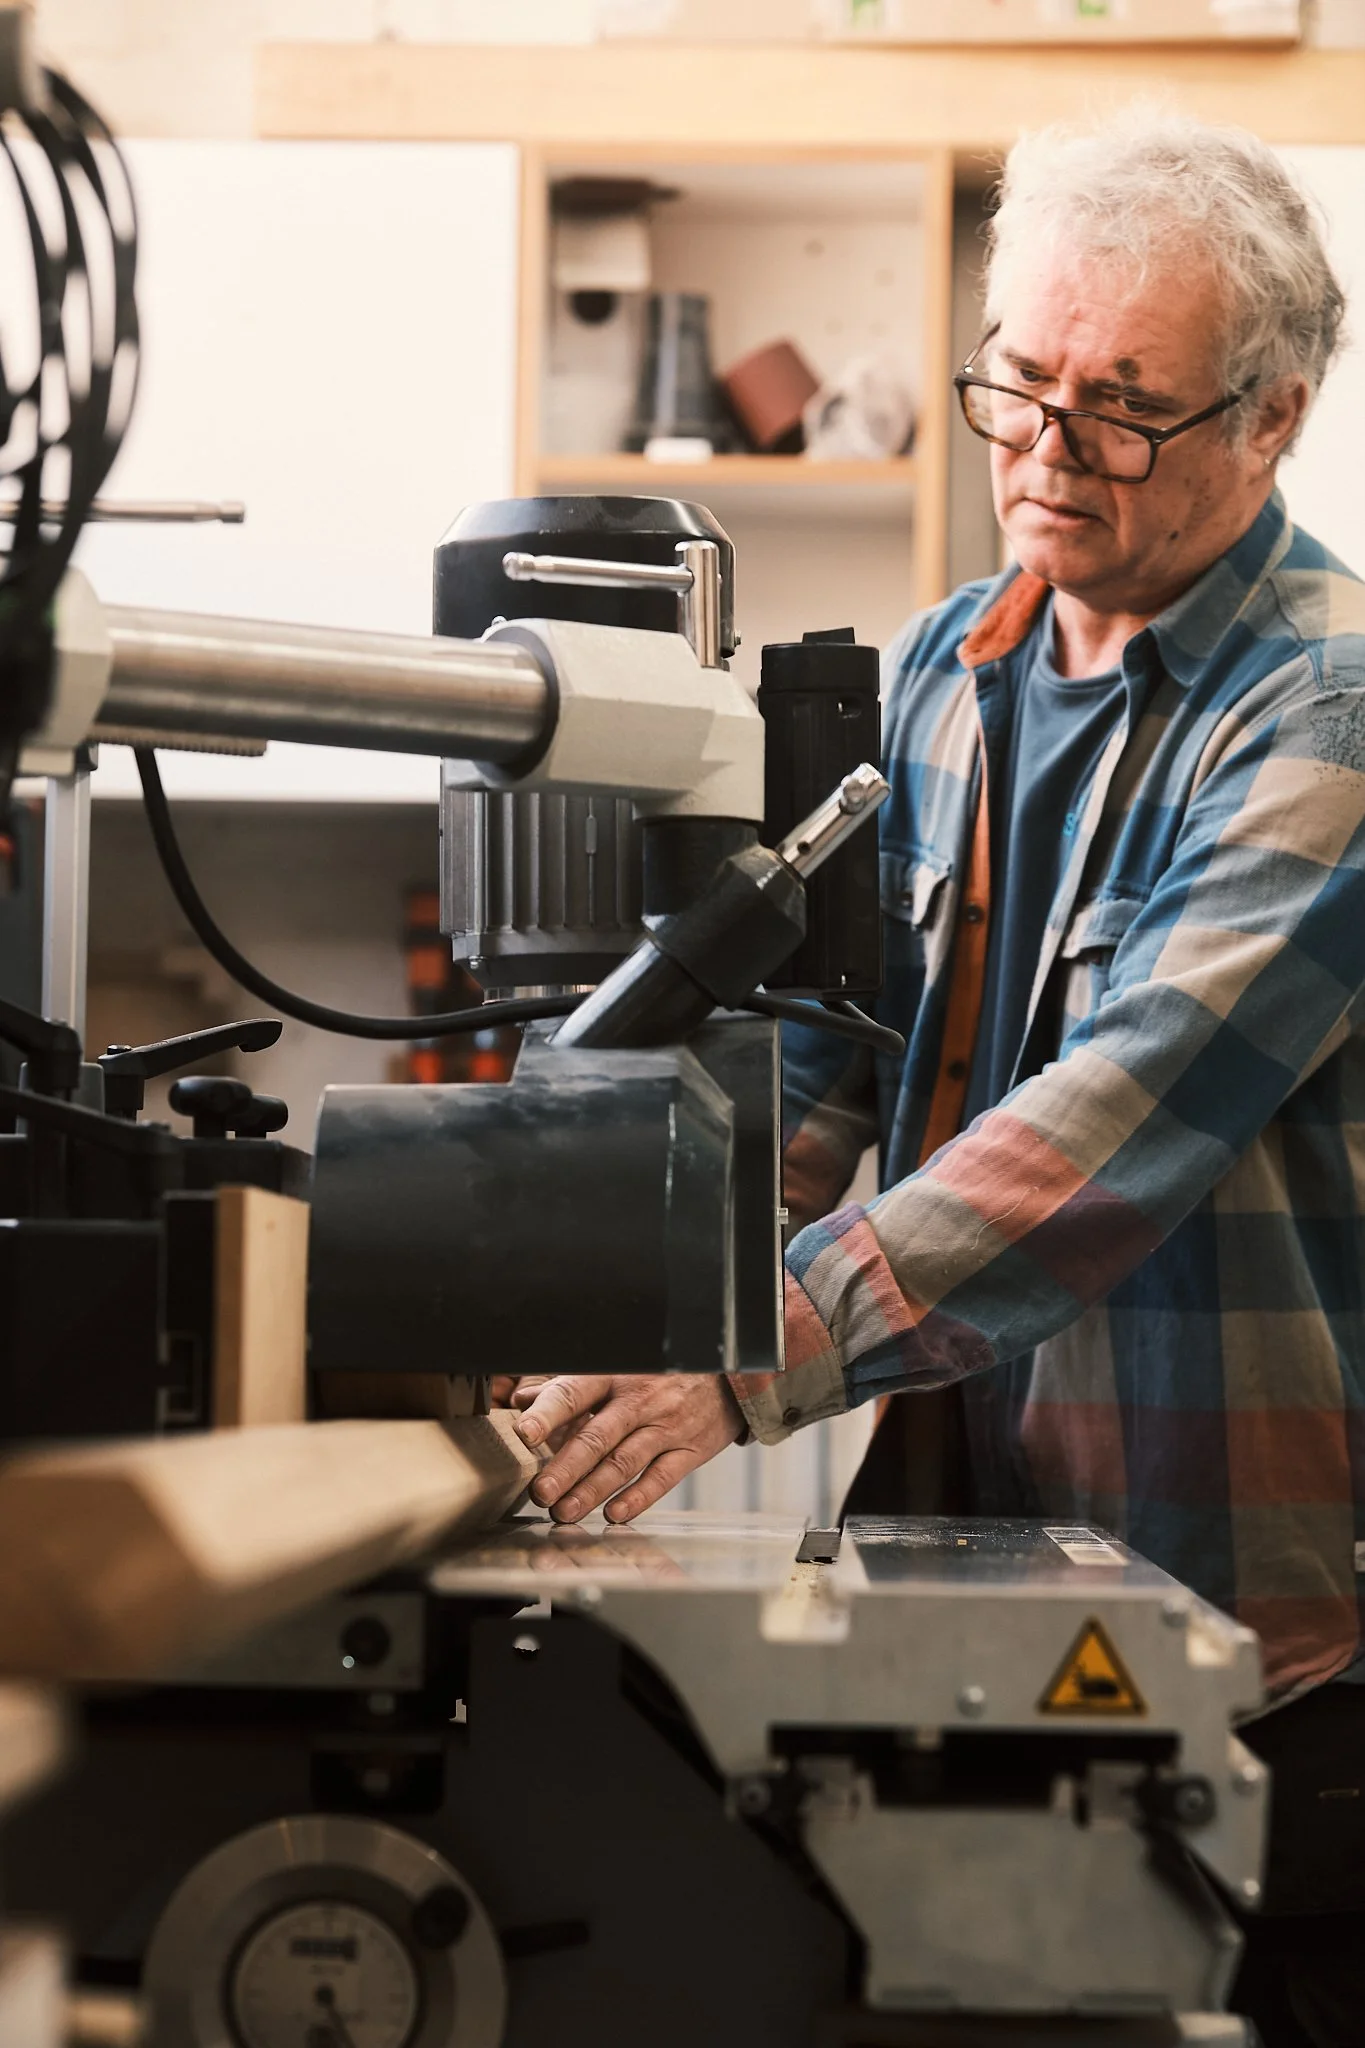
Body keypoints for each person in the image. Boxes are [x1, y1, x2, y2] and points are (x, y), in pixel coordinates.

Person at [507, 109, 1365, 2044]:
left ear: (1274, 415)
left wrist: (753, 1354)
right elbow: (832, 1068)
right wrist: (583, 1274)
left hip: (1269, 1661)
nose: (1047, 450)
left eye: (1124, 407)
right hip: (981, 1602)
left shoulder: (1330, 716)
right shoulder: (940, 673)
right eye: (1023, 385)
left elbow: (1124, 1124)